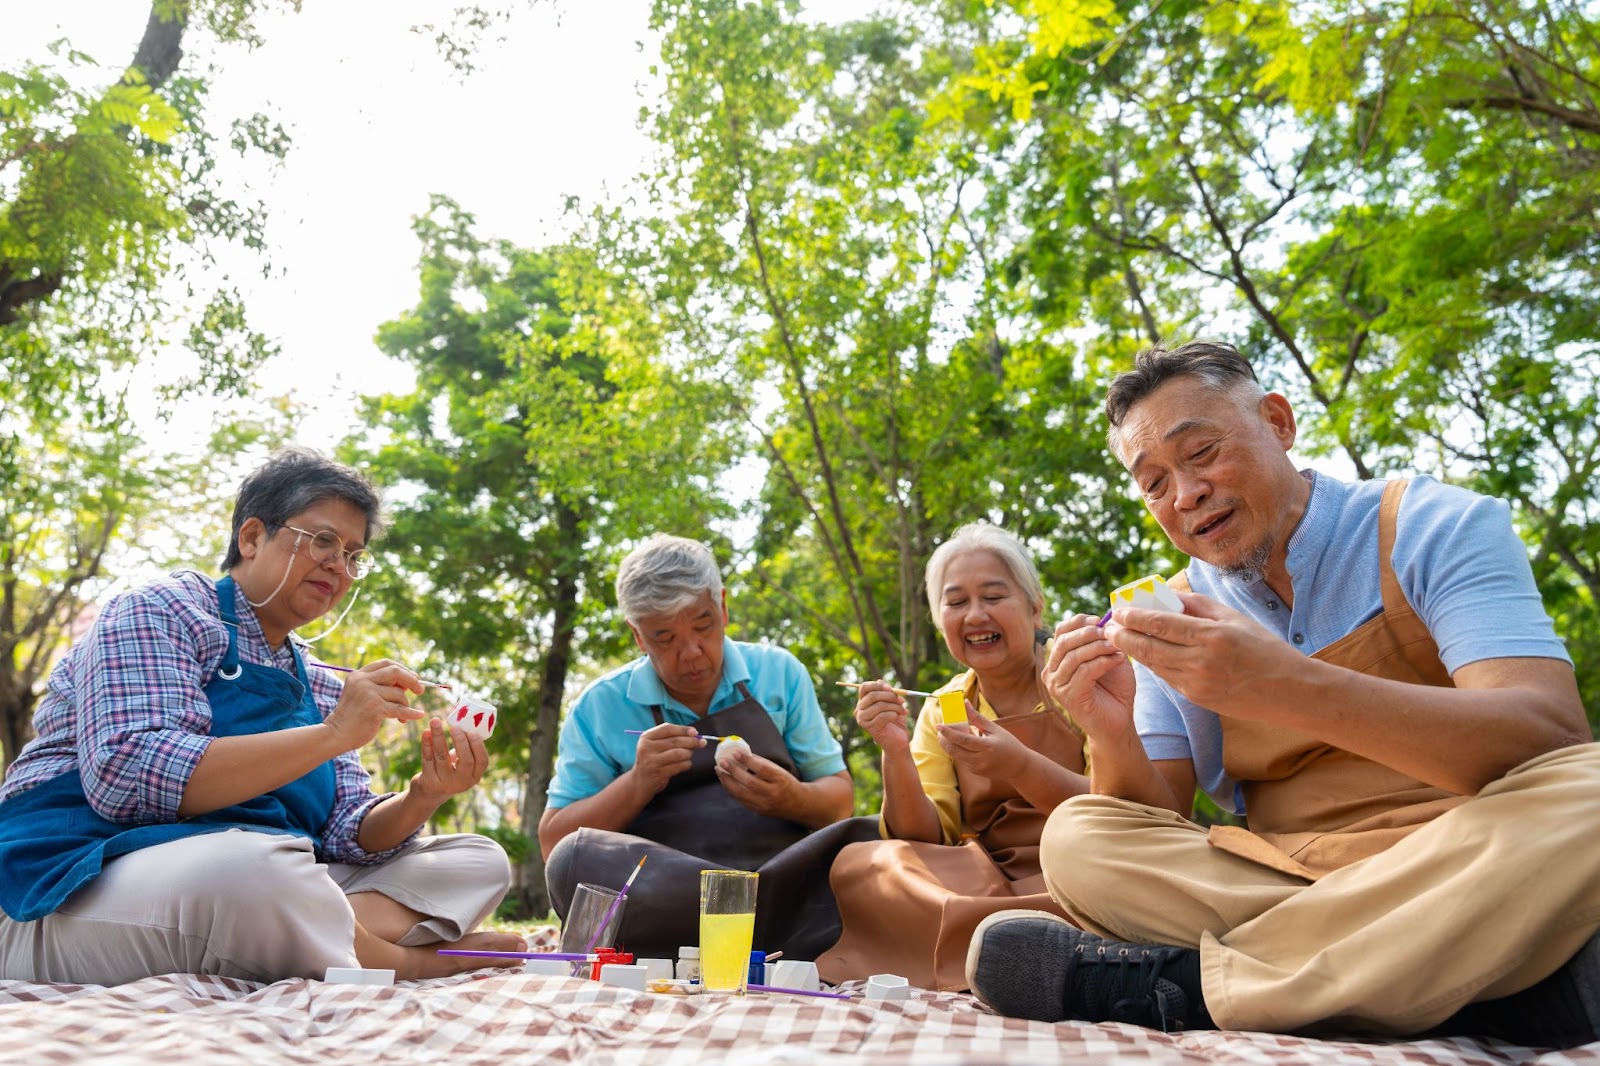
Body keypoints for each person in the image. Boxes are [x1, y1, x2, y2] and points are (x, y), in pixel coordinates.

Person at [965, 341, 1600, 1047]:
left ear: (1279, 423)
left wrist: (1287, 686)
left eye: (1201, 452)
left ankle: (1194, 991)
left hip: (1479, 844)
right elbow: (1150, 819)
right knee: (1081, 839)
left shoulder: (1432, 523)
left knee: (1593, 789)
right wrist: (1106, 729)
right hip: (1295, 877)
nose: (1184, 494)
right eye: (1152, 483)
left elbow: (1550, 737)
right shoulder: (1169, 609)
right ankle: (1494, 986)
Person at [0, 447, 524, 985]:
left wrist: (426, 794)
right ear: (251, 538)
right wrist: (332, 735)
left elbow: (346, 831)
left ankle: (317, 933)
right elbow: (127, 778)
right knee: (258, 868)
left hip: (247, 887)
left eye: (353, 555)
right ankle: (401, 961)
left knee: (474, 859)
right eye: (323, 540)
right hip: (67, 885)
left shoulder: (320, 681)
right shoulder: (161, 610)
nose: (338, 566)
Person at [539, 534, 878, 960]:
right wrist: (639, 782)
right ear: (638, 637)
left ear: (723, 607)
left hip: (781, 879)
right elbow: (554, 840)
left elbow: (839, 802)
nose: (692, 653)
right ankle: (780, 937)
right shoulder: (599, 706)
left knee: (876, 838)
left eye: (703, 626)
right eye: (665, 638)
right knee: (573, 859)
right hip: (669, 893)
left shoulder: (779, 673)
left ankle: (739, 933)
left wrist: (792, 798)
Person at [817, 523, 1089, 990]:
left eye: (993, 596)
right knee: (867, 864)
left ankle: (991, 944)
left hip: (1084, 866)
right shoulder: (943, 704)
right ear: (939, 620)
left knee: (1121, 876)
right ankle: (1017, 940)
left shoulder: (1077, 676)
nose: (975, 615)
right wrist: (895, 752)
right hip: (985, 879)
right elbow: (923, 837)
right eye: (956, 602)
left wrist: (1017, 764)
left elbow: (1120, 805)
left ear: (1035, 604)